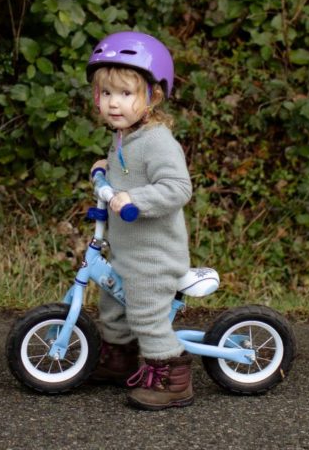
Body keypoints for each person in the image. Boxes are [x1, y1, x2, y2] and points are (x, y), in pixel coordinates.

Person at [87, 30, 194, 410]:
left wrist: (136, 198)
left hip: (154, 258)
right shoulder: (123, 138)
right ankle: (120, 359)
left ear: (153, 95)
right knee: (113, 307)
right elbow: (122, 174)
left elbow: (179, 188)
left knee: (146, 313)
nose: (114, 103)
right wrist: (105, 171)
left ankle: (172, 375)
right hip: (126, 253)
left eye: (126, 93)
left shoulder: (157, 141)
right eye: (106, 94)